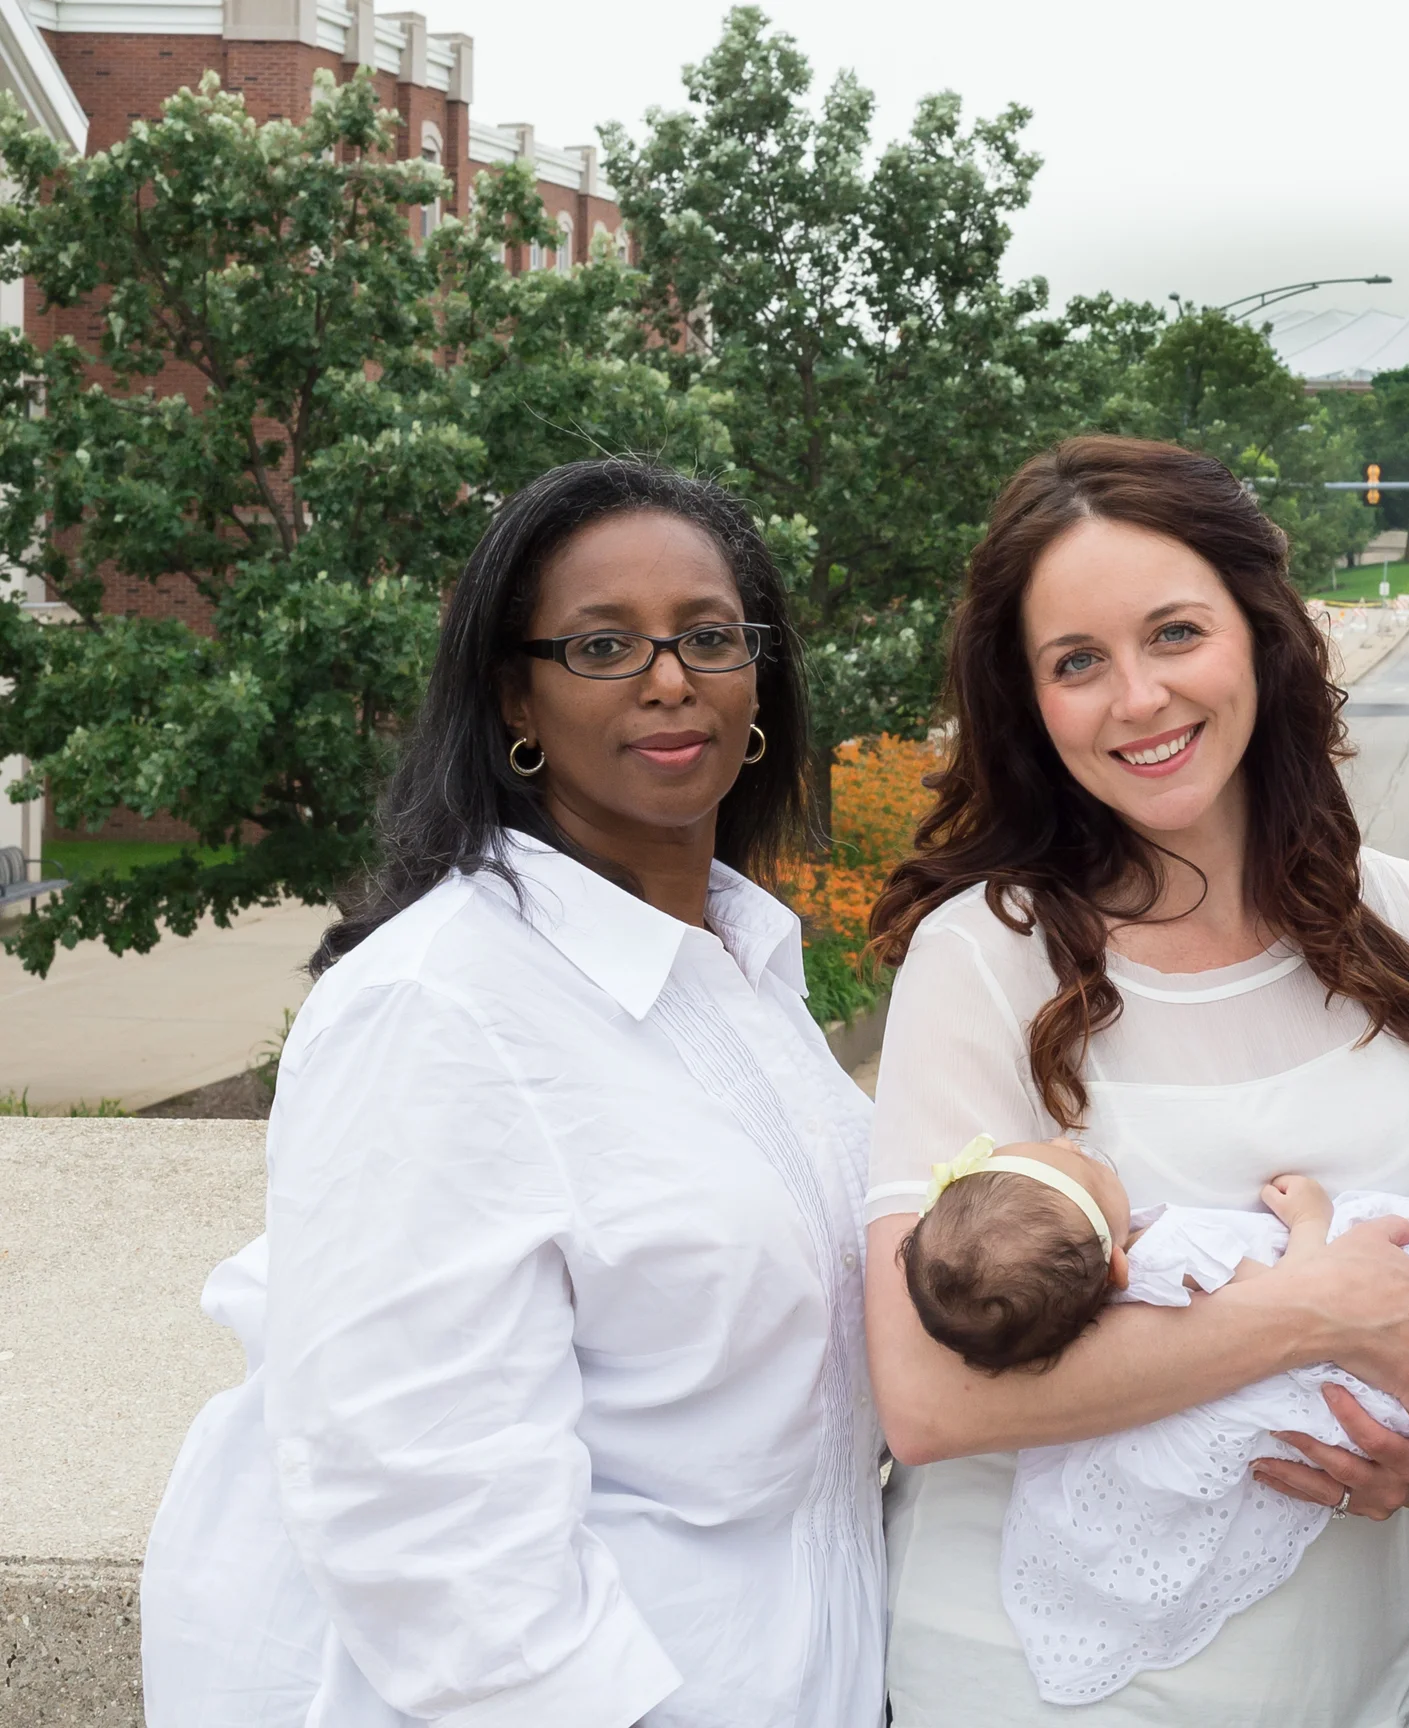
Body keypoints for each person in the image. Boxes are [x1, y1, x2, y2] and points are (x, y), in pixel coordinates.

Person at [140, 459, 886, 1727]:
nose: (669, 678)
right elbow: (426, 1517)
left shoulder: (737, 966)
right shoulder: (437, 1006)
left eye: (709, 636)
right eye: (603, 645)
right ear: (513, 697)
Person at [862, 435, 1409, 1727]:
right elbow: (924, 1398)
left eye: (1175, 634)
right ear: (1029, 701)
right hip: (1039, 1689)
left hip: (1355, 1677)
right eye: (1076, 662)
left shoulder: (1407, 922)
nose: (1137, 698)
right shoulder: (983, 958)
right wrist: (1309, 1313)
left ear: (1259, 634)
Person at [903, 1137, 1409, 1704]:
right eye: (1082, 1163)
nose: (1066, 1141)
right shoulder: (1172, 1247)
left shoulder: (1064, 1318)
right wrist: (1311, 1218)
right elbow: (1309, 1291)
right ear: (1117, 1266)